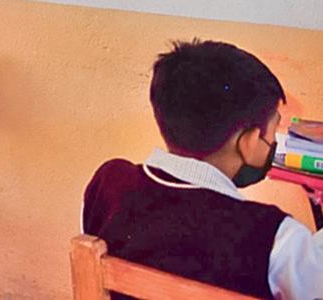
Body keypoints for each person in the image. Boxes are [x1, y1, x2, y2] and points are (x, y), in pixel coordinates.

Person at [83, 39, 323, 298]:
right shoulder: (276, 239)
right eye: (274, 130)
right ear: (248, 142)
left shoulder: (108, 185)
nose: (275, 141)